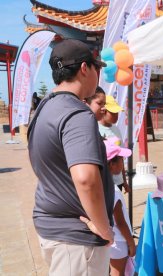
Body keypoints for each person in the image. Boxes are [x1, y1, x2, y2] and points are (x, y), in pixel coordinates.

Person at [27, 39, 114, 275]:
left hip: (52, 226)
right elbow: (85, 178)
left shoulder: (44, 107)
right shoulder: (77, 113)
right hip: (77, 239)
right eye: (97, 68)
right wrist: (104, 228)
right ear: (85, 69)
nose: (99, 75)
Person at [104, 137, 136, 276]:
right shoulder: (113, 192)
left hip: (110, 239)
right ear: (111, 164)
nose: (123, 163)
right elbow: (120, 222)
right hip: (119, 240)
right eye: (121, 160)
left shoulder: (102, 186)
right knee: (118, 273)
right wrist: (130, 242)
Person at [99, 95, 130, 193]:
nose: (116, 116)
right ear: (103, 111)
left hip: (118, 181)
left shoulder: (116, 130)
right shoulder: (95, 129)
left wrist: (124, 181)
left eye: (117, 113)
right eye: (113, 113)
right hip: (104, 181)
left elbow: (121, 156)